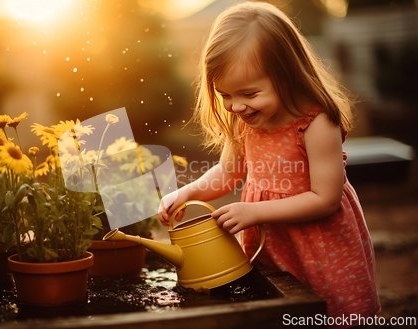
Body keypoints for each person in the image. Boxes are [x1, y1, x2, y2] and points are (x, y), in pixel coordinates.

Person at [158, 1, 380, 325]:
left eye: (249, 93)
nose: (237, 106)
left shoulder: (316, 123)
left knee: (334, 313)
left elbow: (326, 199)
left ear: (286, 75)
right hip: (273, 245)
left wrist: (254, 212)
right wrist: (187, 193)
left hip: (323, 248)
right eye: (226, 96)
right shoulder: (245, 121)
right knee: (280, 310)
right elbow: (228, 173)